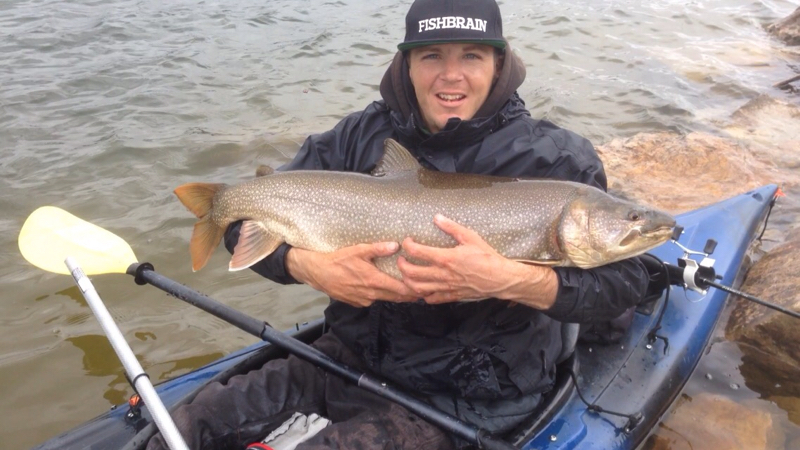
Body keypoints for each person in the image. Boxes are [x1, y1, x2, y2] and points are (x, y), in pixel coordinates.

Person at [147, 0, 650, 449]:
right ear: (406, 63)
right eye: (432, 56)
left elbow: (627, 281)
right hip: (345, 357)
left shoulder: (556, 161)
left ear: (499, 64)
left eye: (471, 56)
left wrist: (512, 280)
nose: (450, 76)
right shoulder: (357, 137)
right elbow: (241, 218)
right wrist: (306, 266)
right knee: (185, 427)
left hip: (470, 395)